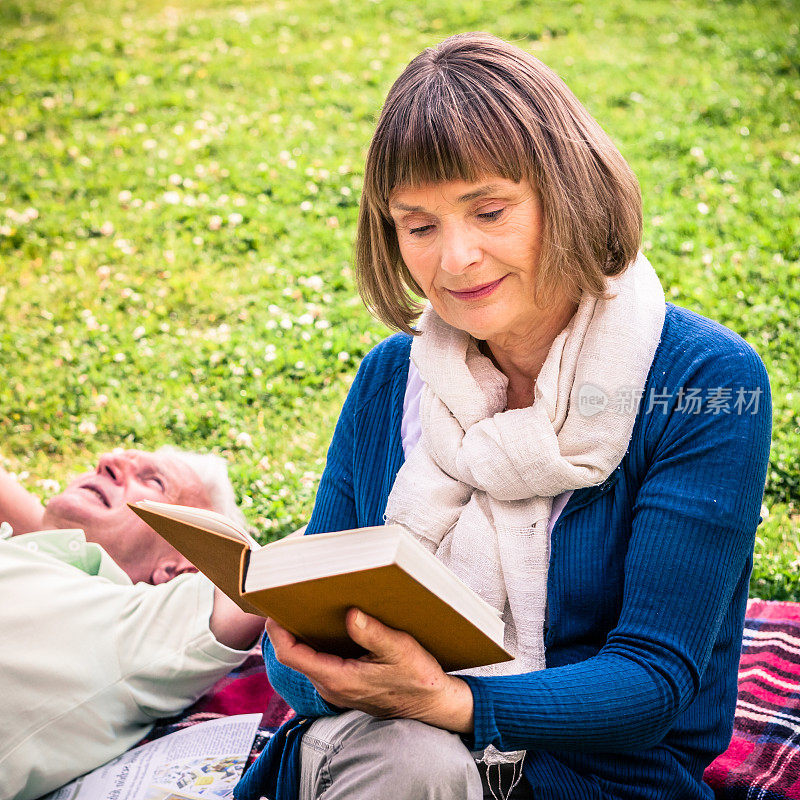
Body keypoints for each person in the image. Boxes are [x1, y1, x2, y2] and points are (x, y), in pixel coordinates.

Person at [236, 32, 772, 800]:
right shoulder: (394, 377)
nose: (455, 259)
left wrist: (451, 702)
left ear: (569, 190)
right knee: (400, 759)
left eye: (488, 211)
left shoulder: (700, 383)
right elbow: (309, 609)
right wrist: (313, 662)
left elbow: (656, 680)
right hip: (379, 746)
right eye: (418, 226)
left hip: (598, 777)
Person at [0, 446, 266, 800]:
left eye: (153, 479)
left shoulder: (135, 629)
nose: (106, 461)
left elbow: (272, 573)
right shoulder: (36, 553)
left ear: (181, 567)